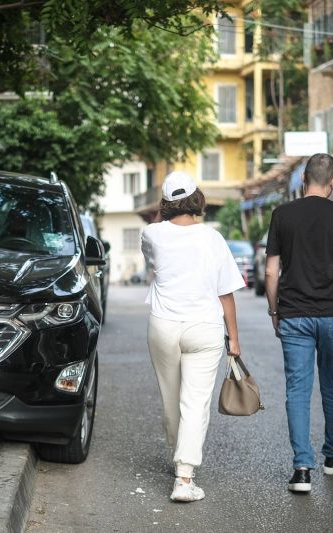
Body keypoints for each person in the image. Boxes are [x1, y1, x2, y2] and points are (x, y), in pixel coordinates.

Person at [141, 171, 246, 502]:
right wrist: (235, 339)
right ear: (198, 199)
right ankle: (185, 478)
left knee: (171, 400)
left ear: (166, 203)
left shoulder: (152, 233)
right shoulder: (213, 238)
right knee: (195, 403)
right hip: (205, 326)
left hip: (164, 324)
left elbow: (153, 266)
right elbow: (225, 293)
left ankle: (179, 460)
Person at [264, 153, 333, 493]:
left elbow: (272, 271)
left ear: (304, 177)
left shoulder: (282, 214)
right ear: (332, 182)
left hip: (295, 314)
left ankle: (302, 469)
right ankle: (332, 458)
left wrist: (275, 311)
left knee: (297, 390)